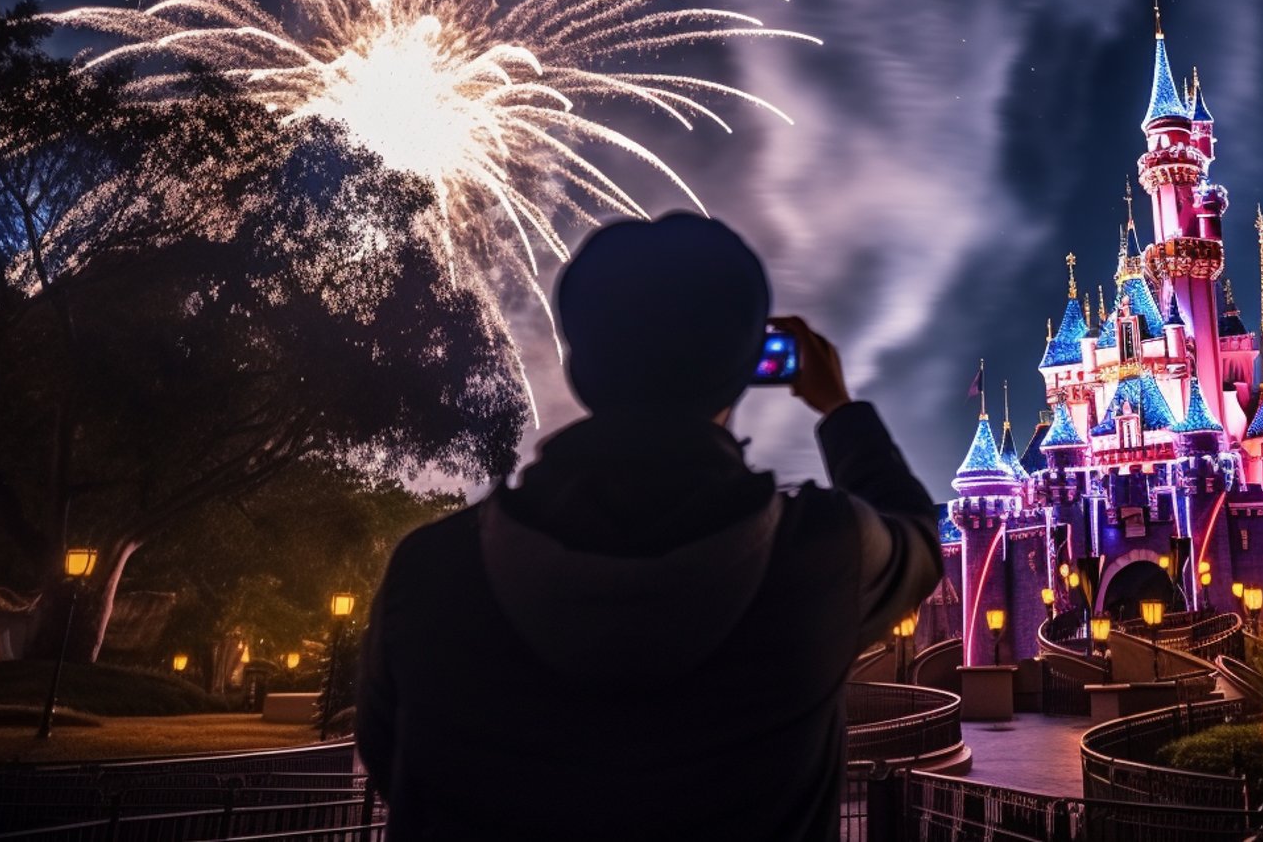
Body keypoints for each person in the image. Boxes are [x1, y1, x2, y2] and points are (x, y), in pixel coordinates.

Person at [356, 213, 943, 840]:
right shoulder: (821, 555)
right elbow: (919, 534)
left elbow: (394, 760)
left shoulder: (433, 570)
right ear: (748, 365)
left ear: (580, 365)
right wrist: (841, 410)